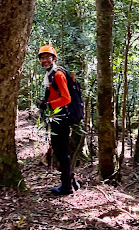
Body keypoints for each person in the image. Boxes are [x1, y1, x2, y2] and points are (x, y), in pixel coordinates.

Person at [36, 44, 80, 195]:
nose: (44, 60)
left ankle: (67, 186)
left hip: (61, 117)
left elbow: (66, 98)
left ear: (54, 58)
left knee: (61, 152)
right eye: (42, 58)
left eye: (48, 57)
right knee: (61, 151)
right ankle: (71, 181)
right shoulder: (50, 74)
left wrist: (47, 104)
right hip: (57, 116)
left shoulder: (58, 74)